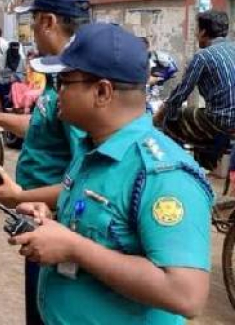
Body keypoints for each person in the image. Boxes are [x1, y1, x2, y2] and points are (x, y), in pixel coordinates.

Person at [13, 23, 213, 324]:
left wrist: (74, 248)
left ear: (102, 92)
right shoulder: (93, 149)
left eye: (63, 81)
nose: (56, 92)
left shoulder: (162, 174)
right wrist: (51, 221)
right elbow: (99, 228)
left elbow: (186, 294)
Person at [0, 0, 91, 325]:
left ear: (48, 22)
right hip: (38, 214)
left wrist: (21, 195)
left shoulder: (75, 83)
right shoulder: (55, 78)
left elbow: (86, 178)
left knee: (49, 310)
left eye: (33, 21)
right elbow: (40, 127)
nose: (32, 31)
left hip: (57, 222)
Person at [154, 10, 234, 169]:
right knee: (198, 121)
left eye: (197, 30)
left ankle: (174, 166)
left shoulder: (202, 56)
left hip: (221, 120)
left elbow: (181, 94)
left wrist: (162, 114)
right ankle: (208, 160)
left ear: (203, 32)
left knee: (171, 118)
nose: (196, 35)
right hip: (224, 120)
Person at [0, 41, 25, 108]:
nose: (15, 51)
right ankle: (1, 106)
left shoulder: (20, 59)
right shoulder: (2, 58)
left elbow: (21, 72)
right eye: (13, 49)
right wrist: (10, 74)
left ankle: (14, 106)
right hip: (3, 79)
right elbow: (1, 71)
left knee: (16, 86)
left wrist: (15, 76)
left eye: (16, 49)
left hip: (16, 80)